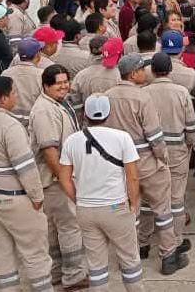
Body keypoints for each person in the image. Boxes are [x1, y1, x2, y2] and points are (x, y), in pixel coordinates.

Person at [0, 76, 54, 290]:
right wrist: (37, 196)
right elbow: (25, 168)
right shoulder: (11, 126)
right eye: (14, 92)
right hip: (13, 198)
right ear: (4, 99)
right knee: (35, 253)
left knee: (3, 250)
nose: (16, 96)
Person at [105, 54, 185, 275]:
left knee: (131, 212)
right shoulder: (142, 98)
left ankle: (134, 254)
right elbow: (155, 136)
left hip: (121, 166)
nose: (145, 72)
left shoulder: (107, 97)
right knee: (162, 210)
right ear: (133, 74)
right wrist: (163, 158)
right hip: (147, 163)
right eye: (141, 69)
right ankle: (168, 256)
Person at [57, 95, 144, 292]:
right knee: (129, 259)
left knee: (96, 266)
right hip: (116, 207)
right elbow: (132, 177)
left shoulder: (72, 141)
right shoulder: (122, 138)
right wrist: (133, 203)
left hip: (86, 210)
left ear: (85, 114)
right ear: (108, 113)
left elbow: (64, 178)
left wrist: (79, 199)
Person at [28, 64, 87, 291]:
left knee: (55, 227)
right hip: (55, 179)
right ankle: (73, 275)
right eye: (58, 83)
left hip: (58, 177)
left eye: (65, 82)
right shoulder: (44, 110)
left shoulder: (58, 103)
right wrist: (65, 180)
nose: (63, 86)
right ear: (46, 86)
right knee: (69, 226)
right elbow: (49, 150)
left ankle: (56, 273)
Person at [145, 53, 195, 250]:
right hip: (177, 151)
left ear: (151, 71)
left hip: (150, 151)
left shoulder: (144, 93)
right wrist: (191, 144)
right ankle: (176, 240)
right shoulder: (181, 92)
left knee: (148, 197)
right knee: (176, 198)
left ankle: (144, 240)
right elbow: (190, 125)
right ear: (170, 69)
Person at [68, 37, 122, 116]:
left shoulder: (80, 75)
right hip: (114, 119)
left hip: (89, 120)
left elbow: (75, 103)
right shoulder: (119, 75)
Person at [3, 38, 46, 130]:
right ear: (37, 54)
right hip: (34, 124)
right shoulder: (42, 75)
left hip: (10, 123)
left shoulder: (6, 73)